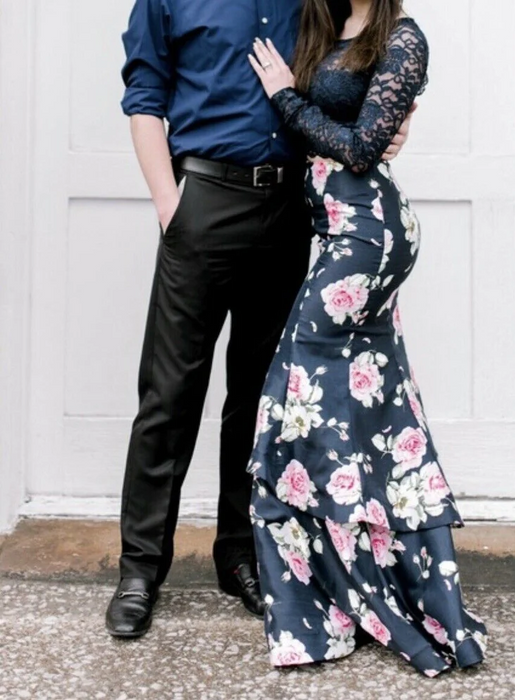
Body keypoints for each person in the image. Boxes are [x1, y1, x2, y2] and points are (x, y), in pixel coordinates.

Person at [105, 0, 411, 639]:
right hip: (203, 203)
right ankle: (140, 570)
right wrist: (170, 207)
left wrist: (394, 118)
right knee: (169, 394)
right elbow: (144, 97)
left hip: (287, 211)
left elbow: (364, 51)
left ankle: (239, 555)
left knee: (258, 397)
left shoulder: (316, 0)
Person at [247, 0, 488, 676]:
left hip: (367, 234)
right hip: (339, 231)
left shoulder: (402, 38)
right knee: (381, 409)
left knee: (297, 400)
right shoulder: (327, 24)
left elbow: (358, 149)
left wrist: (286, 99)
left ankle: (340, 592)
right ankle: (406, 587)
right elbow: (352, 134)